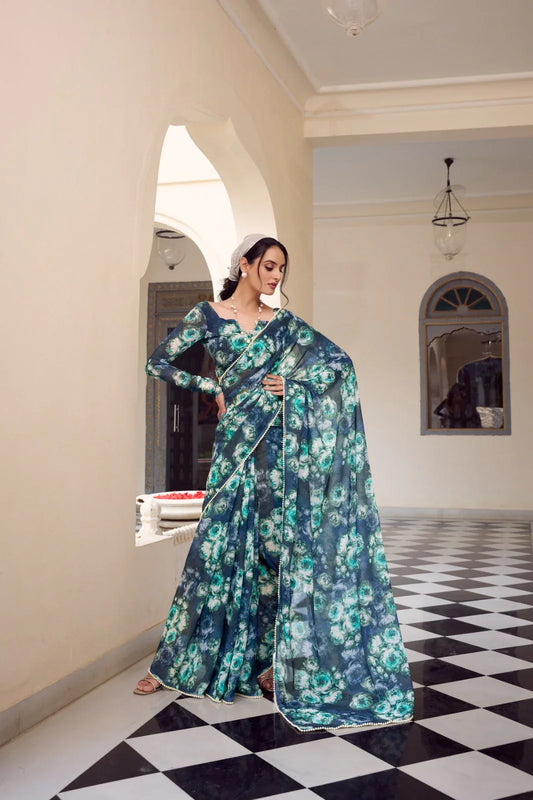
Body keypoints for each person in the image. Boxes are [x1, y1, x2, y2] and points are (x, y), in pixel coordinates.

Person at [134, 234, 414, 732]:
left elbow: (338, 366)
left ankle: (271, 664)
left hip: (281, 451)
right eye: (267, 266)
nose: (274, 276)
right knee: (214, 549)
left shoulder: (282, 326)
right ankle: (173, 663)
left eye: (280, 269)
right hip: (235, 447)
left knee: (276, 552)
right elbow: (159, 361)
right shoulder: (208, 316)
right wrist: (213, 385)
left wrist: (297, 386)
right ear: (244, 266)